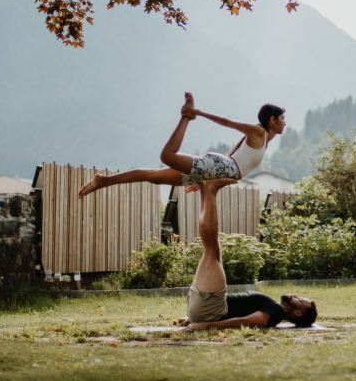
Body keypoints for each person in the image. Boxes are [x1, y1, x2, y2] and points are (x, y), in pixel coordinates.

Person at [77, 92, 285, 199]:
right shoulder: (257, 132)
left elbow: (234, 153)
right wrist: (197, 112)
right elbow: (227, 122)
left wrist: (204, 177)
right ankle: (186, 117)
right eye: (282, 118)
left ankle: (104, 180)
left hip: (216, 170)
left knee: (154, 177)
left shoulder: (267, 137)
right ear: (273, 120)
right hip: (220, 168)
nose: (285, 122)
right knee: (167, 156)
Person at [182, 178, 317, 330]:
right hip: (208, 308)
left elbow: (244, 321)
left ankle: (210, 188)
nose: (295, 296)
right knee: (214, 249)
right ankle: (205, 188)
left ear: (298, 313)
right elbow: (239, 311)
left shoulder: (276, 313)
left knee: (211, 249)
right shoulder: (274, 309)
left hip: (210, 311)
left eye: (299, 300)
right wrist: (193, 317)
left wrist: (205, 325)